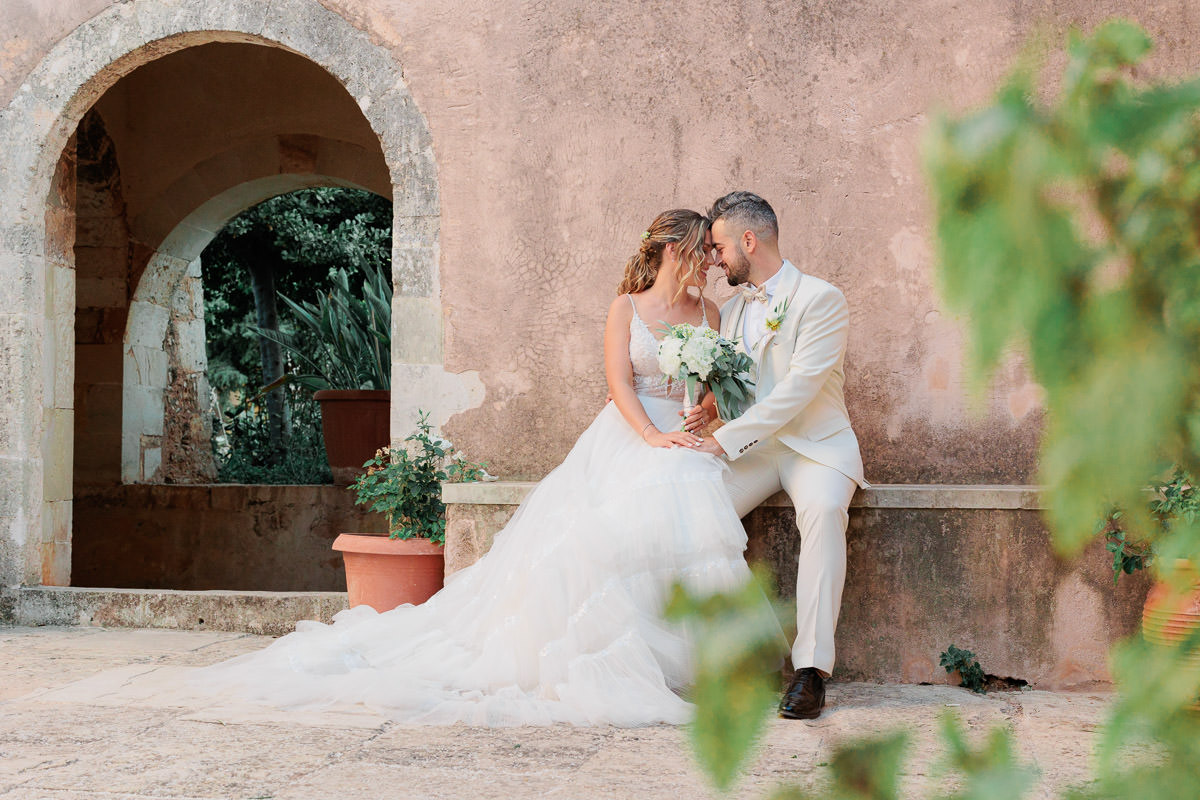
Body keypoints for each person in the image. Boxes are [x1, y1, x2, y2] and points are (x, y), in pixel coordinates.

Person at [197, 209, 772, 727]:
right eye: (704, 251)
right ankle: (615, 652)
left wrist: (704, 412)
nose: (713, 265)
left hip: (685, 434)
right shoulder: (626, 308)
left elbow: (718, 388)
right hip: (632, 432)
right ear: (675, 250)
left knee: (686, 496)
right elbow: (619, 385)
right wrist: (652, 436)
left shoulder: (711, 311)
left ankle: (702, 658)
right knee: (606, 527)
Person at [689, 191, 868, 720]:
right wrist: (706, 413)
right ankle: (729, 655)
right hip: (757, 448)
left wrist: (724, 438)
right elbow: (738, 388)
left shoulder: (821, 299)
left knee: (822, 512)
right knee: (691, 504)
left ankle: (810, 672)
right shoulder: (734, 310)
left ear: (749, 240)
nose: (715, 260)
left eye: (719, 247)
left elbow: (797, 391)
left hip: (817, 446)